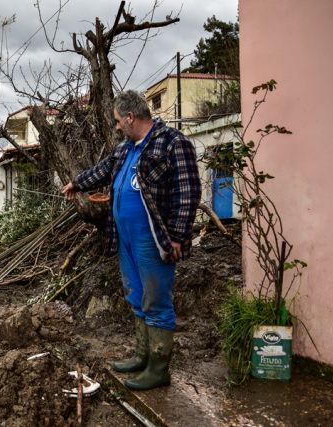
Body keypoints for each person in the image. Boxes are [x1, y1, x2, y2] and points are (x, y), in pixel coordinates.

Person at [61, 90, 201, 390]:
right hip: (125, 238)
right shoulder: (126, 148)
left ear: (130, 117)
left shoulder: (173, 143)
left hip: (153, 239)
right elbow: (103, 170)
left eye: (117, 121)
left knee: (156, 300)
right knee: (136, 296)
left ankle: (159, 368)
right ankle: (142, 356)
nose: (115, 126)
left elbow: (188, 193)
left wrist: (177, 236)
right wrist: (76, 183)